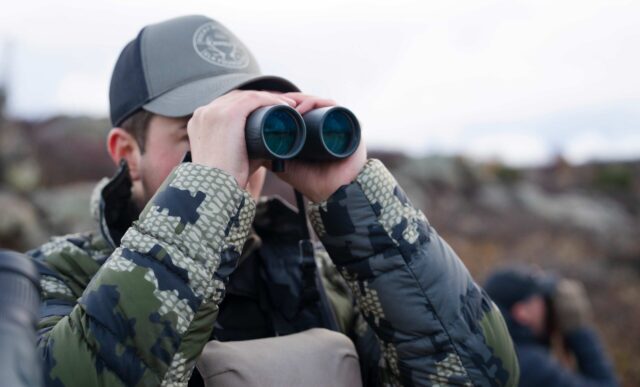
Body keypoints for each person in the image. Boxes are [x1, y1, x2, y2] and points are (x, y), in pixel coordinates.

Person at [31, 15, 519, 386]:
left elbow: (480, 373)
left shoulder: (327, 279)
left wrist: (360, 206)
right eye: (200, 132)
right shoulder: (47, 279)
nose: (238, 157)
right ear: (126, 153)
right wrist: (207, 191)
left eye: (247, 131)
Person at [484, 265, 618, 387]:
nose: (548, 305)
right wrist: (578, 328)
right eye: (541, 298)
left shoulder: (487, 353)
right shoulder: (532, 366)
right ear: (522, 312)